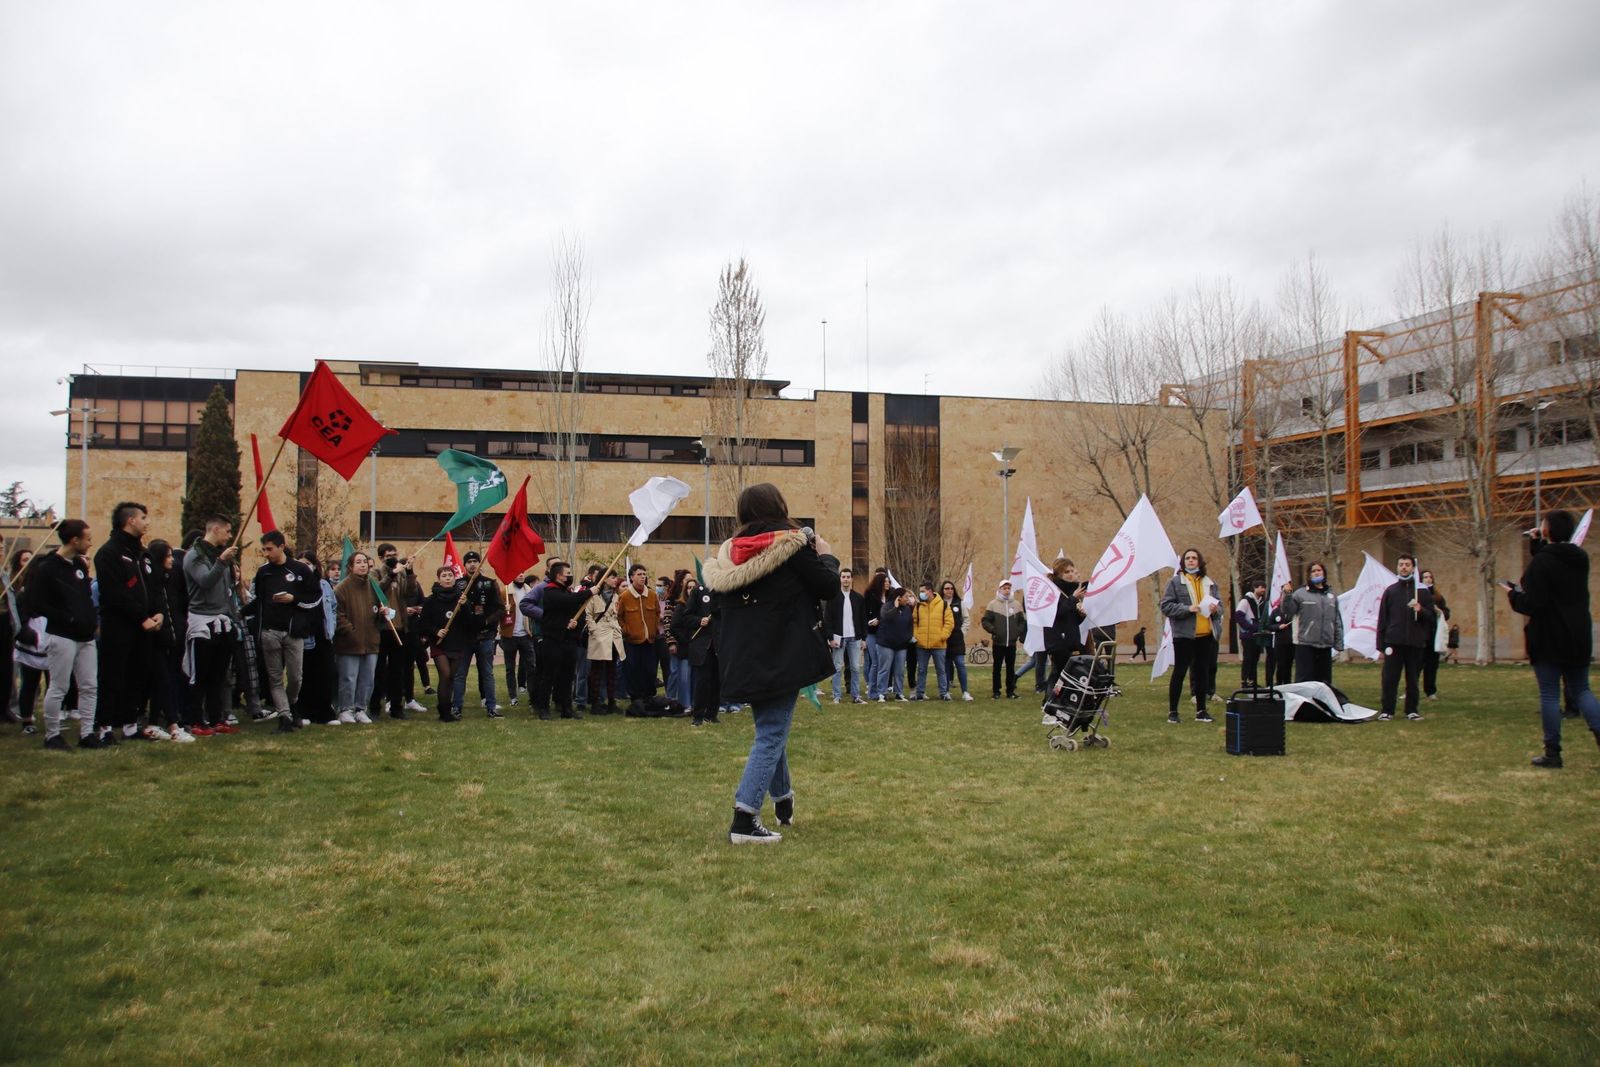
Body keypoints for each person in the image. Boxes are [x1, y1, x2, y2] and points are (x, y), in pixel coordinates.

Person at [702, 483, 838, 844]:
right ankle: (744, 817)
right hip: (782, 653)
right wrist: (826, 555)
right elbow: (828, 587)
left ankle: (782, 800)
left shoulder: (727, 556)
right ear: (779, 506)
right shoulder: (792, 545)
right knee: (772, 733)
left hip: (742, 657)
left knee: (770, 727)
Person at [1508, 510, 1600, 768]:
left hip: (1549, 635)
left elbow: (1533, 600)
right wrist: (1538, 546)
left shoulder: (1541, 563)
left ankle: (1553, 752)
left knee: (1549, 695)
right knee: (1582, 690)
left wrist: (1514, 595)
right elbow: (1553, 566)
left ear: (1547, 530)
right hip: (1578, 633)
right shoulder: (1579, 558)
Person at [23, 521, 100, 750]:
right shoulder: (47, 568)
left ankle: (87, 733)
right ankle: (52, 735)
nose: (90, 543)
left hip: (85, 636)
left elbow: (84, 597)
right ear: (74, 541)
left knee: (89, 685)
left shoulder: (78, 564)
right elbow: (37, 603)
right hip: (62, 635)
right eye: (87, 538)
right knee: (59, 686)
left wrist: (88, 621)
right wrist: (69, 619)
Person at [93, 502, 162, 746]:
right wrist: (140, 617)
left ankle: (131, 725)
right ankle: (104, 726)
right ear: (130, 521)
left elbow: (153, 588)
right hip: (119, 625)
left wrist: (157, 613)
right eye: (143, 517)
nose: (147, 521)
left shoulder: (143, 553)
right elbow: (115, 593)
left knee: (138, 674)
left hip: (145, 627)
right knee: (112, 675)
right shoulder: (108, 553)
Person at [252, 530, 318, 733]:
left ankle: (290, 705)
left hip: (294, 632)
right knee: (275, 678)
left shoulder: (300, 570)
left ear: (281, 547)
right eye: (263, 549)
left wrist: (294, 599)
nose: (266, 553)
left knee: (296, 677)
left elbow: (315, 597)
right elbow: (258, 601)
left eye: (269, 549)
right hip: (270, 631)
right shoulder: (264, 573)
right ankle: (284, 717)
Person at [182, 516, 242, 735]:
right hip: (201, 620)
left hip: (222, 619)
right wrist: (221, 563)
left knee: (219, 675)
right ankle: (196, 719)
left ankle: (217, 718)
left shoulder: (219, 556)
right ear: (215, 529)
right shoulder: (194, 556)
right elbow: (205, 581)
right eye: (226, 531)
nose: (228, 535)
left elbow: (226, 590)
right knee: (201, 675)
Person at [1159, 548, 1223, 724]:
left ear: (1200, 561)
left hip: (1205, 634)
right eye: (1188, 558)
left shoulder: (1209, 583)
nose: (1191, 561)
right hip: (1184, 634)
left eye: (1194, 558)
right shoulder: (1175, 582)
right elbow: (1165, 606)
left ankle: (1201, 711)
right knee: (1180, 671)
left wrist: (1215, 609)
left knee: (1202, 672)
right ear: (1183, 562)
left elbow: (1221, 606)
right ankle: (1173, 712)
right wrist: (1188, 609)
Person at [1376, 554, 1435, 722]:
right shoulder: (1391, 591)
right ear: (1397, 567)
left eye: (1407, 565)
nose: (1404, 567)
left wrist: (1420, 610)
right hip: (1393, 642)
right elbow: (1383, 618)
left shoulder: (1422, 592)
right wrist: (1380, 644)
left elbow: (1431, 618)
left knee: (1413, 679)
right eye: (1401, 564)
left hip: (1415, 643)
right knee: (1389, 679)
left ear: (1413, 568)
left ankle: (1412, 710)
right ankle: (1387, 710)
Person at [532, 561, 592, 719]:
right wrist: (589, 592)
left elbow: (577, 608)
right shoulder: (550, 592)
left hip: (569, 642)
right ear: (559, 576)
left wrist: (575, 623)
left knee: (567, 676)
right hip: (553, 640)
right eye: (567, 573)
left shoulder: (567, 592)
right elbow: (565, 603)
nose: (570, 575)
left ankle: (567, 708)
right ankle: (543, 708)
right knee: (549, 675)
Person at [368, 545, 421, 720]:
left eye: (395, 555)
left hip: (400, 627)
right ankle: (375, 706)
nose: (393, 558)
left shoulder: (402, 573)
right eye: (388, 556)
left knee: (398, 670)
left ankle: (396, 707)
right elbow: (376, 590)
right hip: (383, 628)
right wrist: (390, 574)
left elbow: (411, 591)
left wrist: (410, 571)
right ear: (382, 558)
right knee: (379, 670)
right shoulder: (375, 573)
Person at [333, 551, 387, 724]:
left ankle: (360, 708)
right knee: (349, 677)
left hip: (371, 641)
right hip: (349, 642)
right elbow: (337, 614)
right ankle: (345, 709)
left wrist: (382, 614)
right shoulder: (341, 588)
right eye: (358, 562)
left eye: (365, 561)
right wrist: (351, 631)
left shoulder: (373, 586)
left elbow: (378, 611)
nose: (363, 565)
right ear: (350, 567)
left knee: (368, 677)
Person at [449, 551, 503, 719]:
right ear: (464, 565)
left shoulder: (489, 583)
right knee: (460, 674)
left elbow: (500, 608)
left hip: (484, 637)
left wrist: (488, 622)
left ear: (480, 564)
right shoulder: (457, 585)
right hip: (464, 638)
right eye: (469, 562)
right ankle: (456, 707)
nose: (472, 564)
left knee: (487, 673)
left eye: (475, 561)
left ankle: (491, 707)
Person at [1281, 561, 1343, 685]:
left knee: (1324, 682)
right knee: (1305, 681)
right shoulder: (1300, 594)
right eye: (1313, 571)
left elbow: (1336, 619)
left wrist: (1338, 642)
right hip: (1305, 644)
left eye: (1319, 570)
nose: (1316, 573)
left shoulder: (1331, 595)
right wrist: (1287, 595)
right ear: (1309, 575)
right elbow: (1288, 611)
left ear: (1324, 573)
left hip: (1325, 644)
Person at [293, 551, 337, 725]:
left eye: (308, 563)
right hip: (304, 636)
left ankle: (325, 713)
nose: (305, 566)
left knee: (325, 674)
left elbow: (333, 607)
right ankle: (304, 712)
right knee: (305, 675)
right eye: (301, 563)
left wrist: (331, 627)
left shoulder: (324, 584)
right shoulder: (295, 586)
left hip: (323, 635)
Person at [419, 565, 466, 721]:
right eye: (444, 576)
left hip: (456, 642)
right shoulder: (431, 600)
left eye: (450, 575)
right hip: (439, 644)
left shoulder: (461, 599)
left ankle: (449, 707)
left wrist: (465, 606)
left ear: (454, 578)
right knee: (445, 674)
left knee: (451, 676)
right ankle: (444, 711)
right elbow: (424, 622)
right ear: (438, 579)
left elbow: (470, 621)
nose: (447, 578)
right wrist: (435, 631)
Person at [673, 577, 720, 725]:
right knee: (703, 681)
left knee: (717, 681)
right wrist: (699, 621)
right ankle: (698, 716)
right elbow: (687, 616)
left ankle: (712, 714)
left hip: (719, 644)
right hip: (702, 645)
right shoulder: (698, 592)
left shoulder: (723, 593)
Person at [616, 564, 660, 708]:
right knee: (633, 669)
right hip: (632, 641)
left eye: (644, 574)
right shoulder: (625, 596)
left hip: (649, 640)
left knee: (650, 670)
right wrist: (626, 630)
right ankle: (636, 698)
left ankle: (649, 696)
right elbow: (619, 617)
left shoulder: (652, 595)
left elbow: (657, 613)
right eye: (639, 574)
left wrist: (653, 629)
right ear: (631, 577)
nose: (643, 577)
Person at [584, 571, 626, 715]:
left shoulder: (616, 596)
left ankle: (611, 701)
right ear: (605, 578)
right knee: (596, 671)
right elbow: (588, 616)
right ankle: (595, 702)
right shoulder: (594, 596)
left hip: (613, 634)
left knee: (612, 671)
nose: (615, 580)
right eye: (612, 577)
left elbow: (617, 614)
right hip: (599, 634)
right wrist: (594, 630)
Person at [1042, 558, 1086, 689]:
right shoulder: (1054, 591)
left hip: (1069, 639)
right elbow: (1058, 613)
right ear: (1059, 574)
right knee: (1058, 674)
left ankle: (1059, 702)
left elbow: (1071, 620)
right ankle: (1049, 701)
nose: (1071, 574)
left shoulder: (1069, 593)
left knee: (1066, 674)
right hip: (1058, 640)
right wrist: (1073, 599)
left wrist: (1080, 615)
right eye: (1067, 572)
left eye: (1073, 571)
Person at [825, 567, 866, 704]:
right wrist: (830, 638)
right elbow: (828, 619)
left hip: (855, 638)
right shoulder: (833, 598)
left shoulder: (858, 598)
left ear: (852, 579)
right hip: (838, 638)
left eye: (848, 577)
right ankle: (837, 696)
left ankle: (856, 696)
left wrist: (864, 638)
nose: (846, 579)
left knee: (855, 667)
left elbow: (862, 619)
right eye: (843, 577)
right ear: (840, 579)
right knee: (837, 667)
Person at [981, 580, 1026, 698]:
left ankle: (1010, 691)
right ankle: (996, 691)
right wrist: (994, 630)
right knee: (997, 668)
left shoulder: (1016, 604)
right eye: (1004, 588)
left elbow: (1022, 621)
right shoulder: (993, 604)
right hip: (998, 642)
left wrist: (1017, 632)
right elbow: (985, 621)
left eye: (1008, 588)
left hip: (1011, 643)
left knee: (1010, 668)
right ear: (1000, 589)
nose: (1006, 590)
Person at [911, 580, 954, 701]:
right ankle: (920, 693)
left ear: (930, 591)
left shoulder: (943, 604)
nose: (921, 594)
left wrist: (942, 636)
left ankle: (944, 693)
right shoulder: (919, 606)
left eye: (923, 591)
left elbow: (949, 623)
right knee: (921, 670)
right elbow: (914, 622)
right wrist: (916, 635)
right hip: (922, 644)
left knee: (941, 670)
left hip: (939, 644)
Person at [500, 574, 536, 708]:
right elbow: (497, 611)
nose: (520, 575)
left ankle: (533, 697)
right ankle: (513, 697)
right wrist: (504, 610)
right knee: (510, 668)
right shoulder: (505, 591)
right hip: (509, 635)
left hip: (526, 634)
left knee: (531, 666)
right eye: (517, 573)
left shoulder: (530, 592)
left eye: (522, 572)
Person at [874, 588, 913, 702]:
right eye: (906, 597)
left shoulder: (907, 609)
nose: (907, 599)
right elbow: (886, 617)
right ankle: (882, 693)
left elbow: (910, 625)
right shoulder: (887, 606)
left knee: (900, 670)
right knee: (884, 669)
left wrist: (908, 637)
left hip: (901, 645)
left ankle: (899, 693)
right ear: (898, 597)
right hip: (886, 643)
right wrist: (895, 607)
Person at [940, 579, 974, 702]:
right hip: (944, 640)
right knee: (946, 666)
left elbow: (966, 619)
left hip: (957, 640)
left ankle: (965, 691)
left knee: (960, 664)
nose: (949, 591)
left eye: (951, 588)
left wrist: (962, 632)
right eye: (947, 588)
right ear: (942, 591)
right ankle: (946, 691)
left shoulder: (960, 603)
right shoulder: (939, 604)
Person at [1419, 569, 1449, 701]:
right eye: (1425, 577)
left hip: (1433, 636)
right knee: (1415, 666)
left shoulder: (1438, 597)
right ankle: (1410, 690)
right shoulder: (1416, 594)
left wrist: (1440, 611)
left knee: (1431, 666)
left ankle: (1430, 691)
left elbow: (1447, 614)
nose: (1428, 579)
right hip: (1419, 636)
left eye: (1430, 577)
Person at [1234, 580, 1268, 688]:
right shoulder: (1246, 601)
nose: (1263, 589)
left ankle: (1252, 681)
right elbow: (1239, 616)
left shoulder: (1262, 602)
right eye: (1261, 587)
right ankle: (1244, 681)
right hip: (1248, 635)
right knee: (1248, 658)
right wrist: (1250, 627)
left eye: (1264, 587)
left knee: (1255, 658)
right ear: (1255, 588)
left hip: (1258, 634)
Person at [861, 569, 888, 699]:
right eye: (885, 582)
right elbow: (866, 613)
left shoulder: (889, 596)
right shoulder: (870, 595)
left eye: (888, 581)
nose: (887, 584)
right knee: (875, 661)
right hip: (871, 632)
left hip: (884, 633)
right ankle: (872, 691)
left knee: (883, 663)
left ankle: (882, 689)